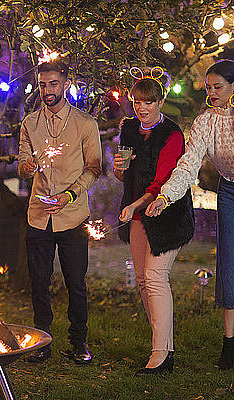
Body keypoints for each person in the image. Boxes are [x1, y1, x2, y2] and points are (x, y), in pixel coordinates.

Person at [147, 59, 234, 371]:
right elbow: (189, 162)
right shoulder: (206, 120)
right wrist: (166, 195)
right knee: (228, 263)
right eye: (208, 88)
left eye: (218, 87)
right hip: (230, 191)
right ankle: (229, 343)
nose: (211, 93)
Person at [17, 60, 102, 365]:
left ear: (66, 83)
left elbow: (95, 168)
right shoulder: (30, 123)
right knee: (39, 282)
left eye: (53, 84)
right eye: (42, 84)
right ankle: (42, 342)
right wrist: (26, 168)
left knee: (75, 283)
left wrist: (69, 195)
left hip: (73, 216)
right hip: (39, 216)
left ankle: (78, 342)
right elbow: (24, 164)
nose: (47, 90)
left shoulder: (85, 124)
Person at [114, 74, 194, 375]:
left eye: (149, 102)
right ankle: (165, 349)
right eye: (137, 101)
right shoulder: (130, 129)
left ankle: (159, 355)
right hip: (138, 215)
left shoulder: (171, 135)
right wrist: (118, 170)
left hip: (167, 214)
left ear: (161, 102)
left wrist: (134, 204)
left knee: (155, 276)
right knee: (144, 281)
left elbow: (162, 182)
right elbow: (127, 175)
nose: (142, 107)